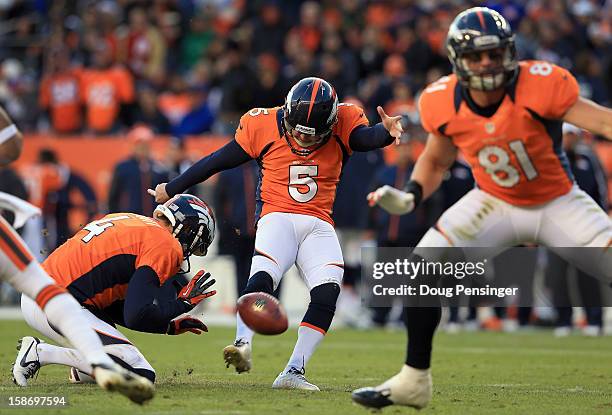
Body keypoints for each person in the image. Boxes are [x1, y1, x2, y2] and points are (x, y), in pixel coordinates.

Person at [356, 7, 612, 410]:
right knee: (423, 269)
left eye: (494, 54)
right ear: (459, 61)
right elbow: (437, 160)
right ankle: (413, 381)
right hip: (494, 202)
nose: (488, 63)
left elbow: (604, 124)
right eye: (477, 56)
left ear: (509, 51)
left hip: (558, 201)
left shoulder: (542, 83)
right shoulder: (441, 99)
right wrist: (411, 195)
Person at [148, 77, 403, 390]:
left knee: (327, 292)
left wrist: (385, 133)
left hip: (319, 222)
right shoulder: (263, 124)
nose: (302, 138)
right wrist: (171, 188)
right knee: (262, 279)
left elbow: (365, 137)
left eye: (312, 134)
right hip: (277, 215)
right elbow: (218, 160)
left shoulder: (345, 120)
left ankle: (294, 371)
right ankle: (242, 342)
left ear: (330, 122)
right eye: (297, 129)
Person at [0, 106, 154, 404]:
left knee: (44, 287)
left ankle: (83, 360)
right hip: (30, 232)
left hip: (36, 242)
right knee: (42, 287)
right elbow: (12, 146)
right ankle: (87, 360)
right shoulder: (123, 170)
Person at [14, 194, 216, 388]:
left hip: (45, 294)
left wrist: (167, 326)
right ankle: (41, 353)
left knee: (125, 362)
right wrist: (183, 304)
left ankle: (85, 368)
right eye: (195, 244)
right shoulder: (165, 244)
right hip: (55, 301)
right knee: (140, 373)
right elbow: (136, 315)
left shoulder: (134, 221)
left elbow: (114, 307)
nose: (189, 250)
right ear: (189, 230)